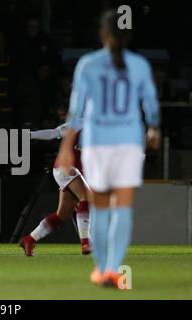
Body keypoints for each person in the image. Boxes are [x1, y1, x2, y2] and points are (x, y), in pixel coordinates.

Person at [57, 10, 161, 289]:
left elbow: (76, 111)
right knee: (123, 208)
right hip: (128, 142)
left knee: (101, 208)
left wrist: (66, 145)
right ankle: (114, 268)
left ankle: (102, 269)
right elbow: (151, 104)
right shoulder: (138, 64)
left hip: (98, 143)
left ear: (102, 35)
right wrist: (154, 128)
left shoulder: (88, 64)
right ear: (128, 36)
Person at [20, 123, 91, 256]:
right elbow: (53, 133)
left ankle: (29, 239)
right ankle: (86, 242)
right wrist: (30, 134)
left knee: (62, 215)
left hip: (77, 170)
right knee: (87, 198)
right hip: (66, 167)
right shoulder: (79, 123)